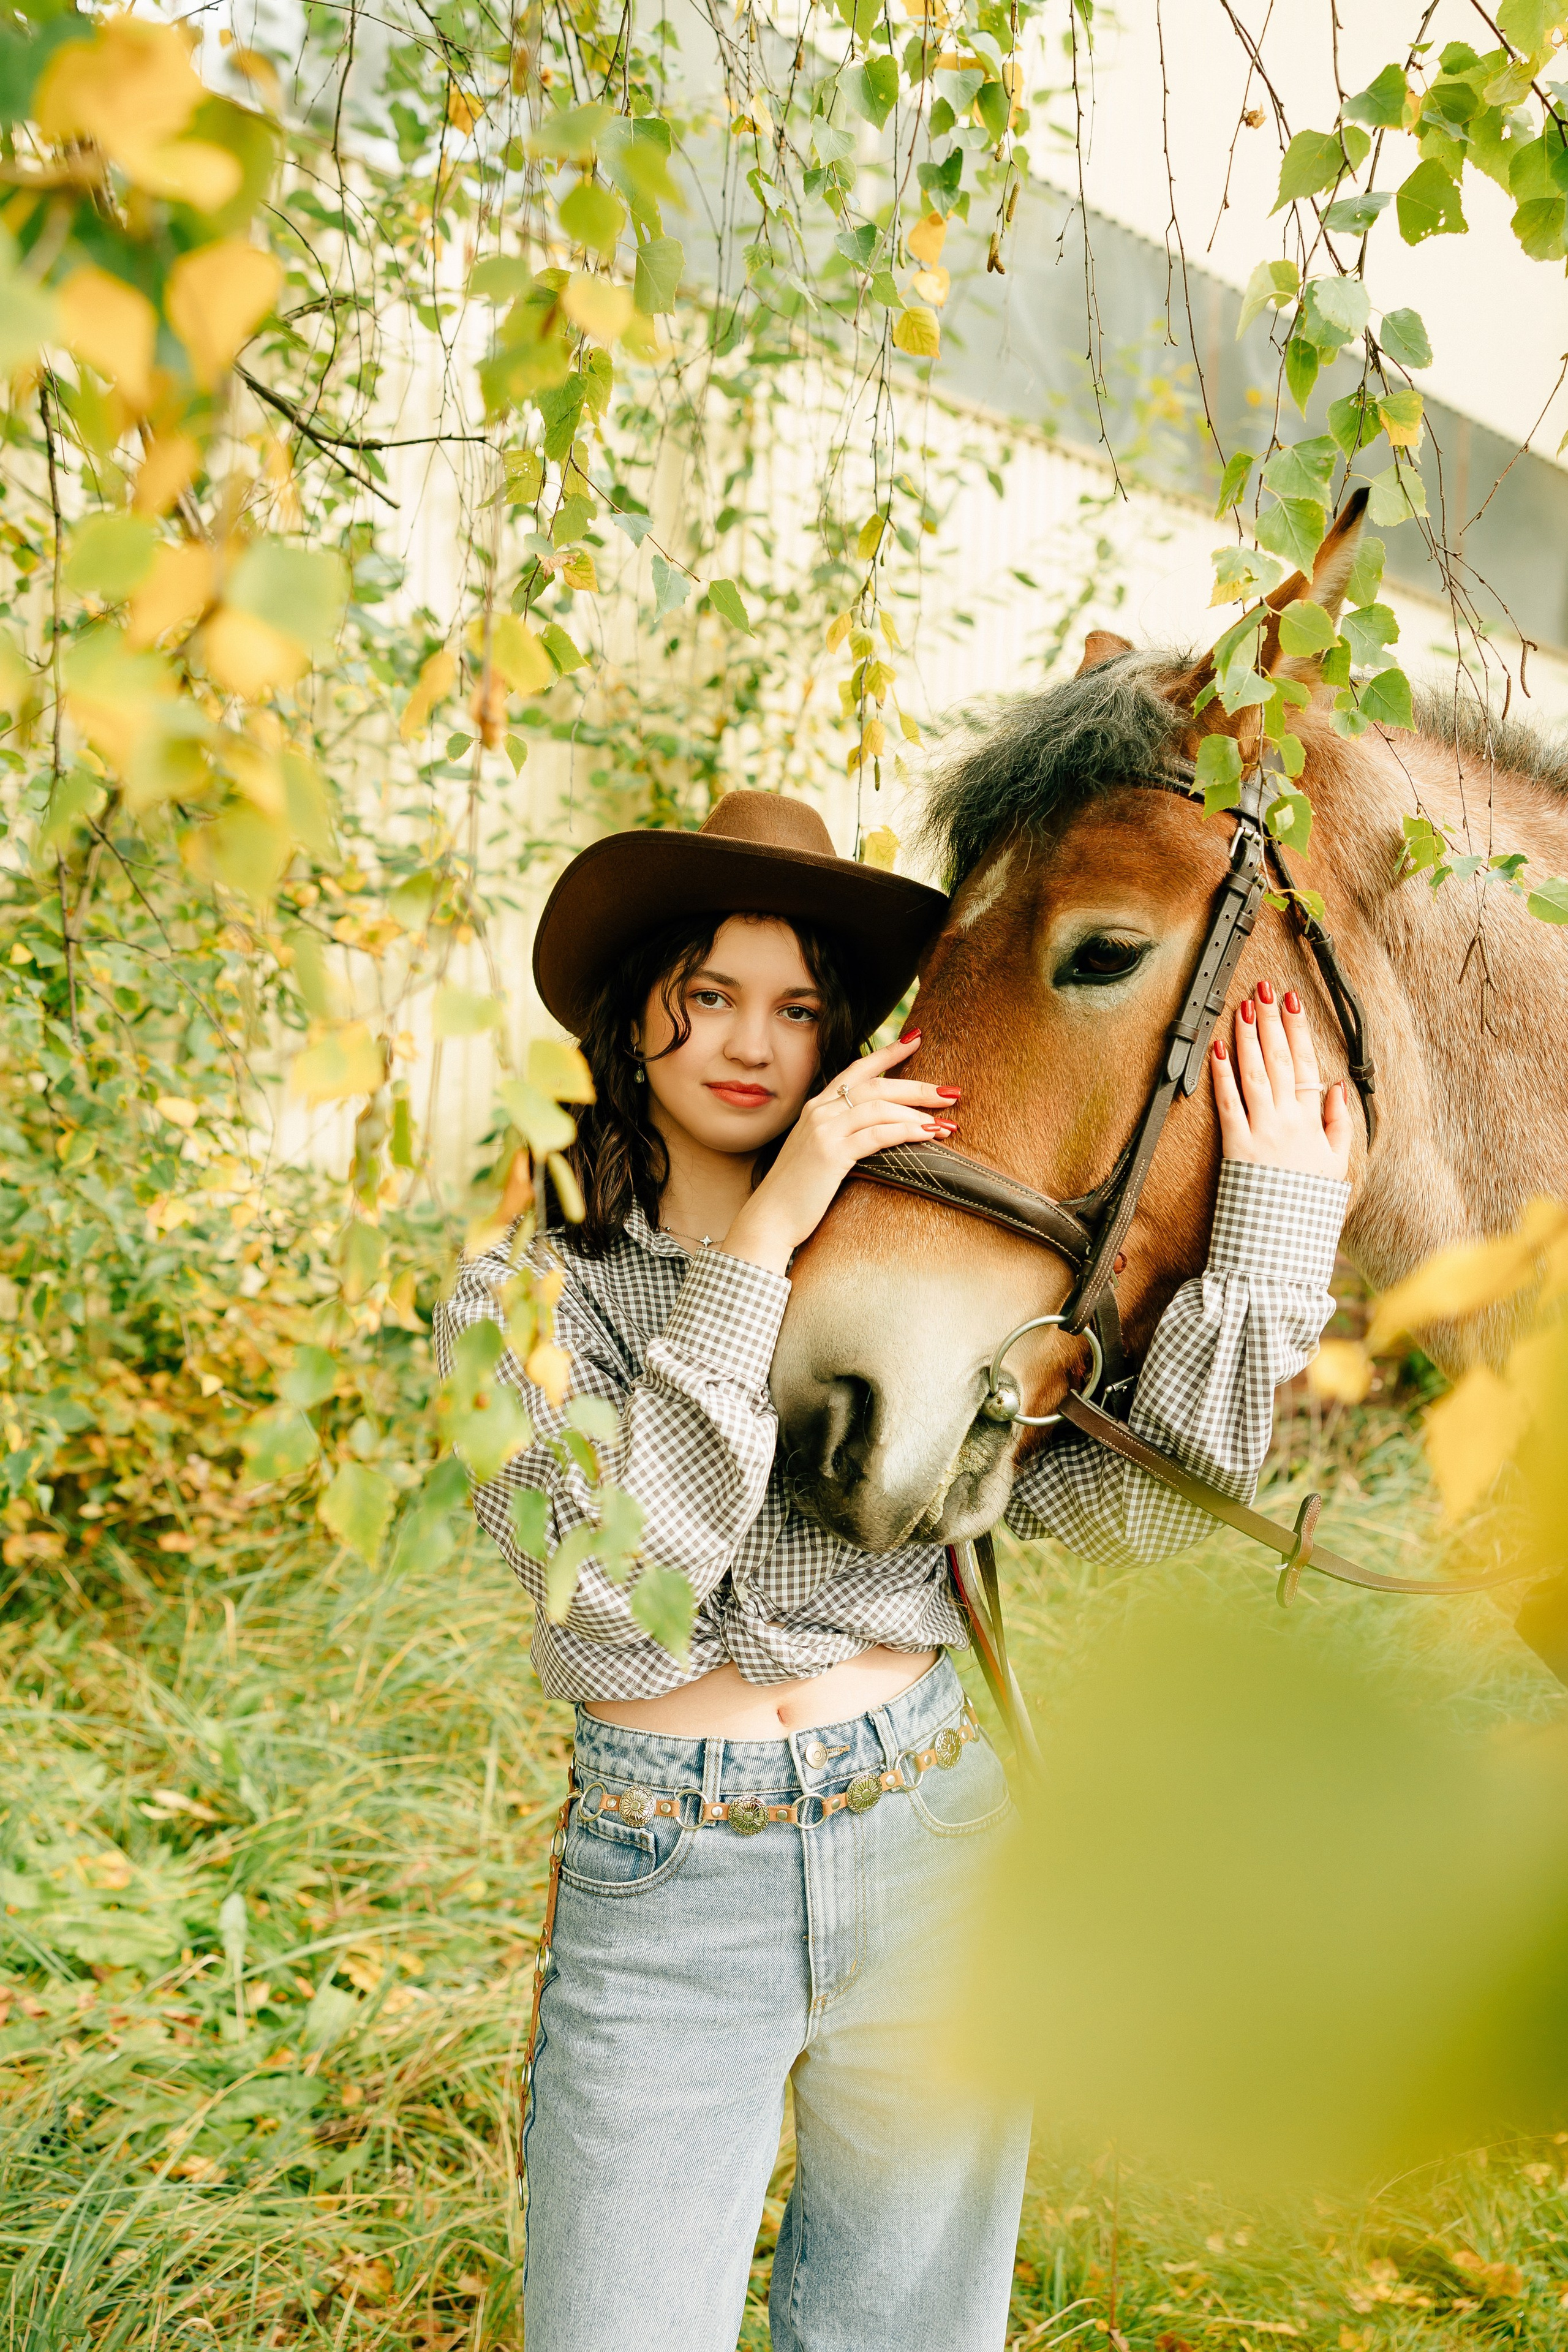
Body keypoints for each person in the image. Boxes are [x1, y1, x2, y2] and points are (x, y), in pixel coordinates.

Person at [434, 789, 1351, 2352]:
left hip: (929, 1838)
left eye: (797, 1008)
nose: (750, 1042)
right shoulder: (517, 1298)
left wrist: (1274, 1226)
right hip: (669, 1886)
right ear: (633, 1017)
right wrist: (758, 1247)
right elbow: (614, 1594)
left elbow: (1135, 1516)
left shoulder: (911, 1281)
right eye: (708, 994)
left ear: (842, 1036)